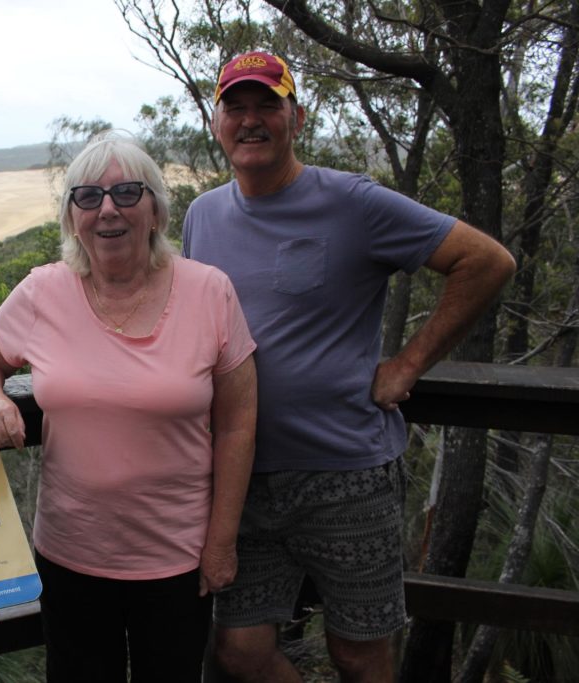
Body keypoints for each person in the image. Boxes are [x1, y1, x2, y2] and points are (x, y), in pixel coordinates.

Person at [182, 52, 516, 683]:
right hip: (242, 481)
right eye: (236, 107)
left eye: (267, 106)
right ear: (217, 122)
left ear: (296, 118)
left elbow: (487, 261)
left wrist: (410, 362)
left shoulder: (353, 202)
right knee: (238, 650)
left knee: (360, 652)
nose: (250, 121)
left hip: (346, 473)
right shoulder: (204, 215)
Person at [0, 132, 258, 682]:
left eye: (127, 193)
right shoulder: (43, 291)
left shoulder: (211, 291)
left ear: (157, 208)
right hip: (70, 557)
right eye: (88, 197)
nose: (108, 210)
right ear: (72, 218)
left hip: (177, 560)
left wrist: (221, 542)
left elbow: (237, 425)